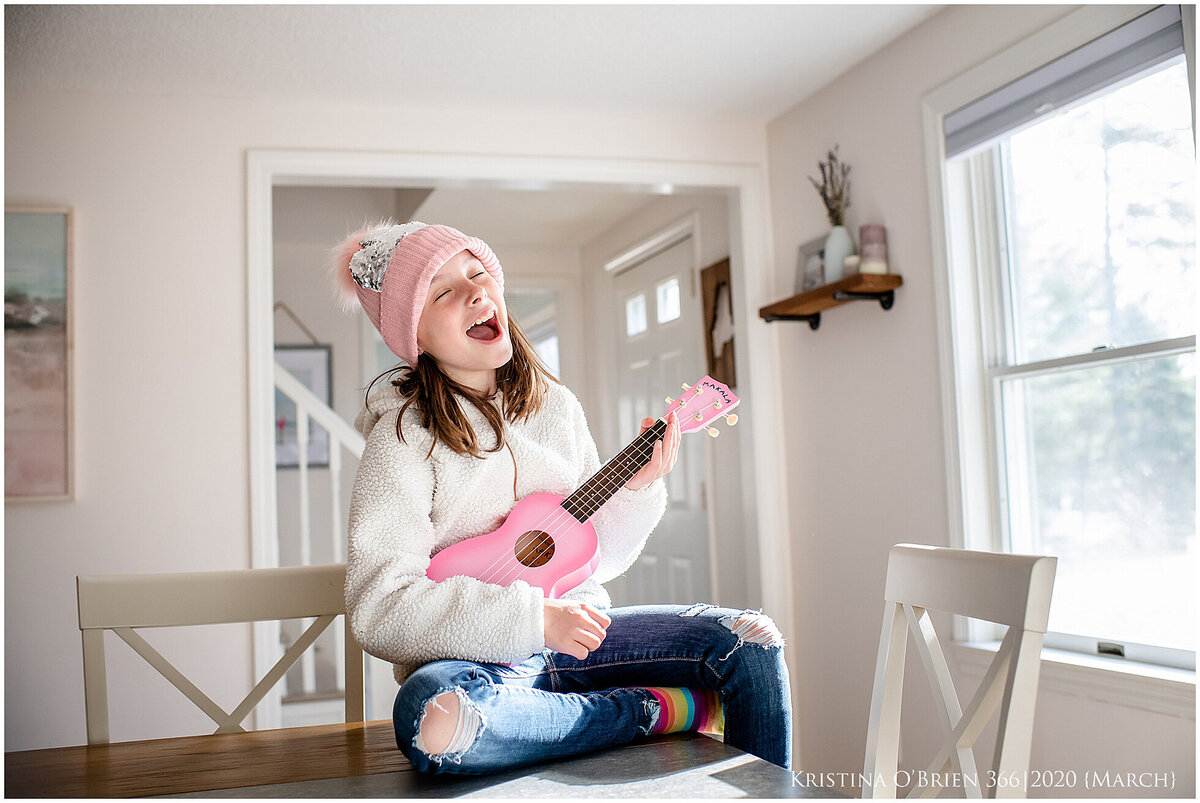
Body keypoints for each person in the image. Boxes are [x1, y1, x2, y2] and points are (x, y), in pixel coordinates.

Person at [329, 220, 791, 775]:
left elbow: (602, 556)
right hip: (478, 668)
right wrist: (533, 619)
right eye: (445, 292)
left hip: (586, 643)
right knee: (432, 718)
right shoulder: (402, 439)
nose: (476, 293)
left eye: (478, 275)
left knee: (751, 645)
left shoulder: (556, 407)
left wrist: (637, 491)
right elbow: (379, 609)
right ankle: (650, 710)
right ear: (414, 337)